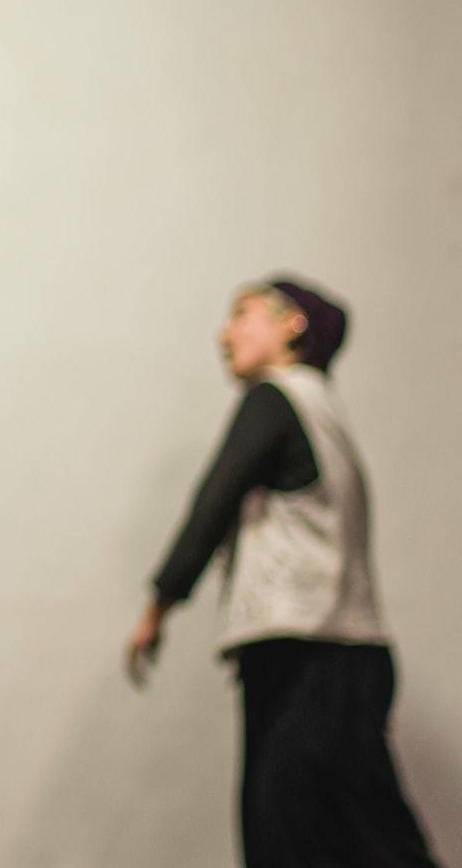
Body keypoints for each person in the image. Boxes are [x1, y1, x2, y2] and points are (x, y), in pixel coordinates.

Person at [126, 278, 437, 867]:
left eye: (243, 315)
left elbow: (214, 501)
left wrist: (158, 605)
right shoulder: (325, 412)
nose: (226, 333)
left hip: (306, 654)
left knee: (296, 836)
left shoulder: (275, 398)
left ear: (291, 324)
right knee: (352, 831)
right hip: (348, 654)